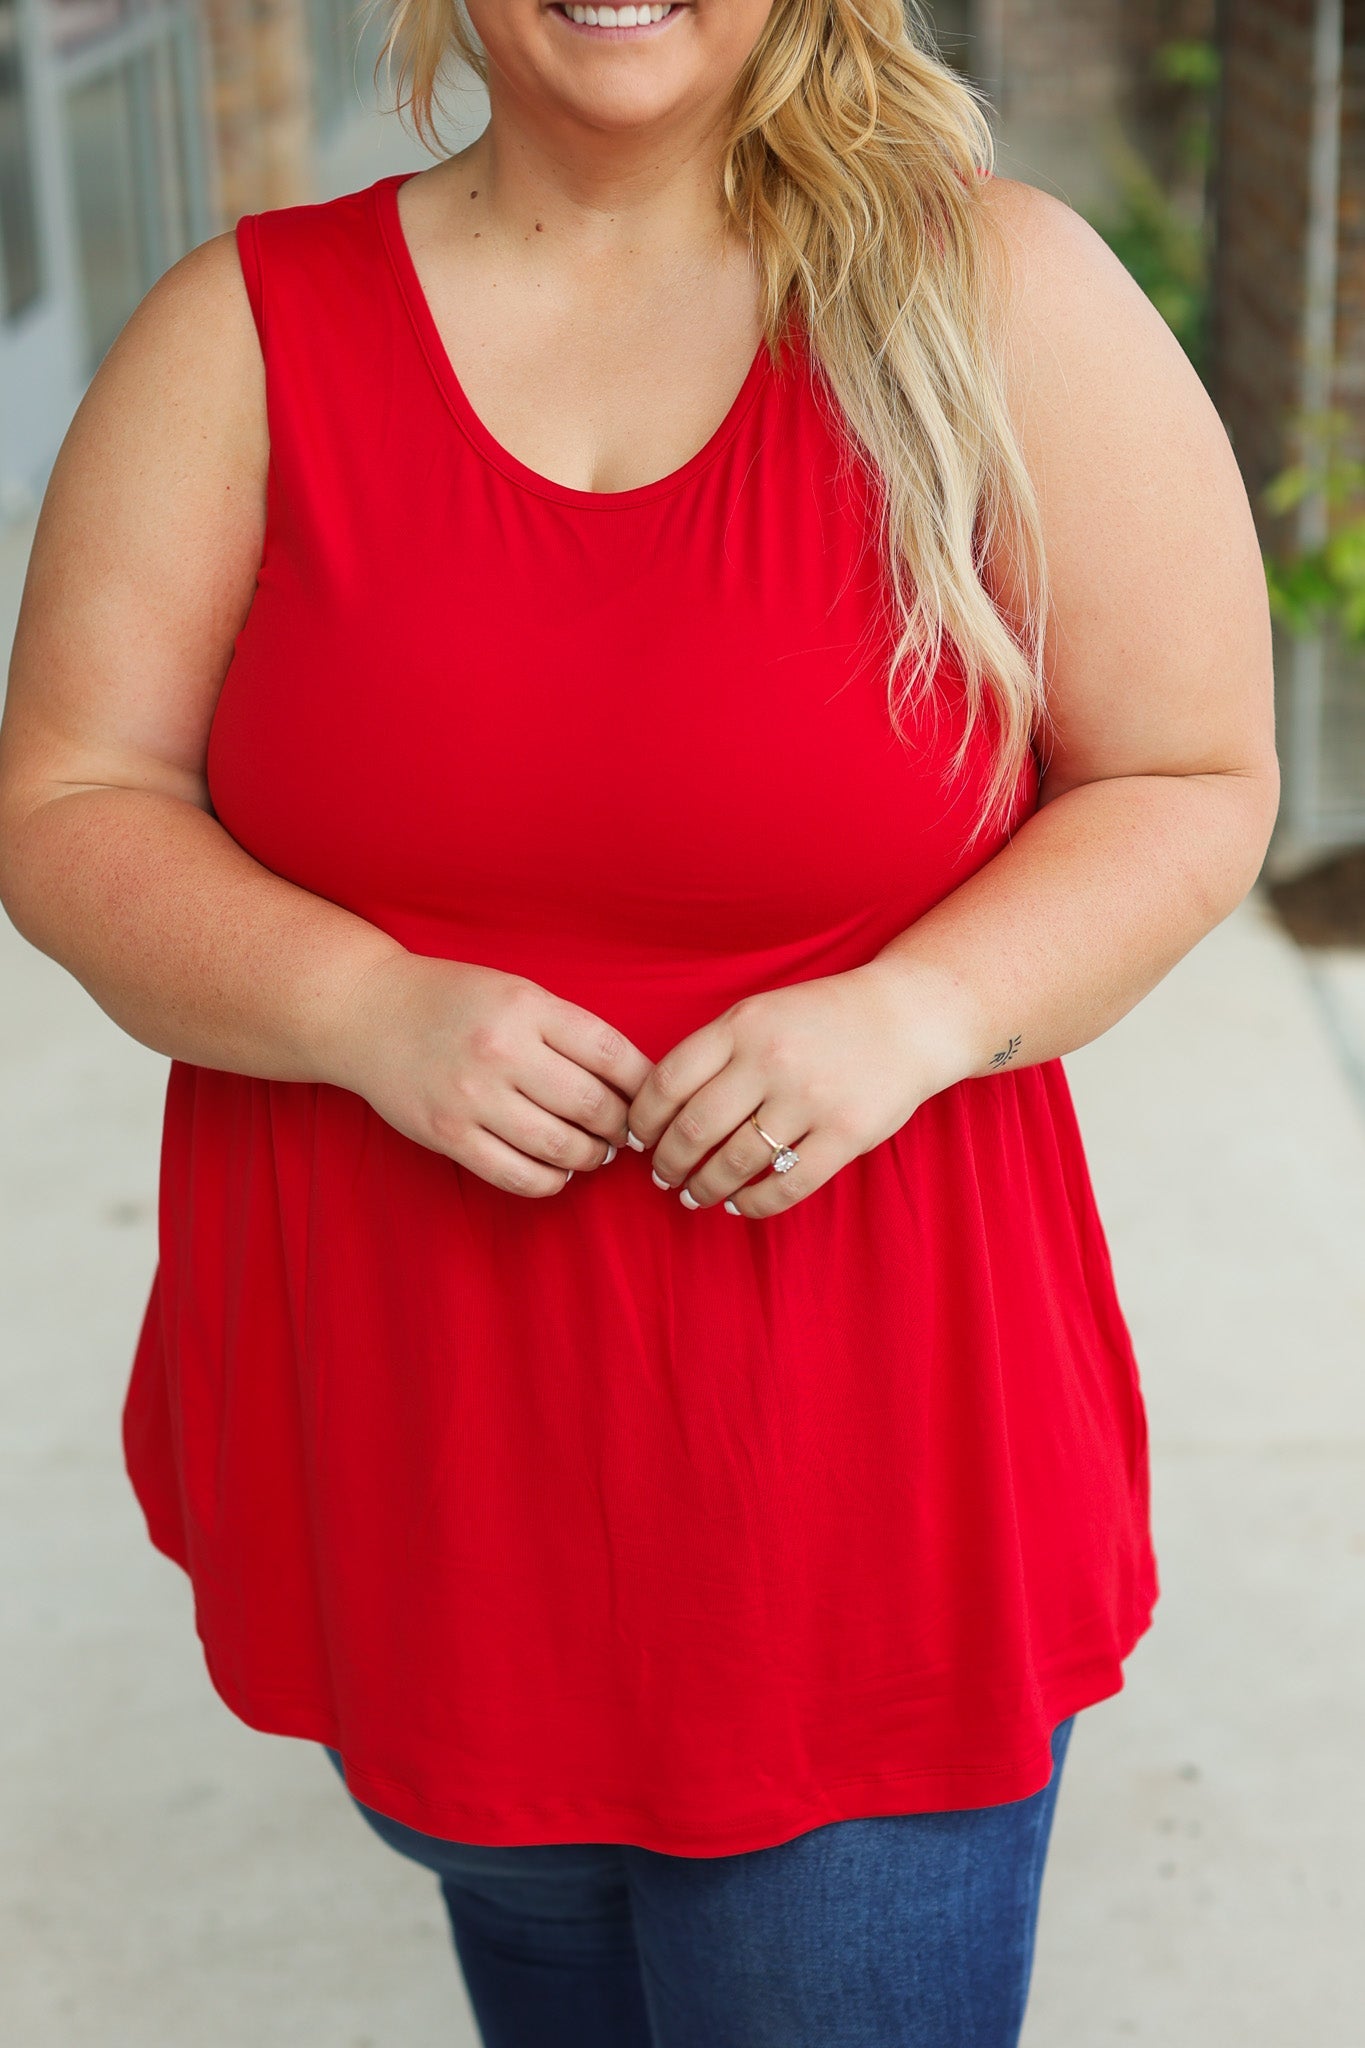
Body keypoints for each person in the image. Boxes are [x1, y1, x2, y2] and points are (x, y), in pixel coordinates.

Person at [0, 0, 1278, 2042]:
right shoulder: (237, 336)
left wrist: (916, 1013)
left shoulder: (994, 295)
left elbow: (1193, 777)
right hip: (427, 1510)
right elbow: (70, 803)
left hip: (859, 1511)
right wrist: (357, 1004)